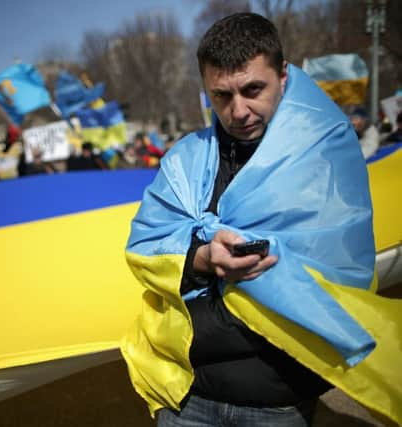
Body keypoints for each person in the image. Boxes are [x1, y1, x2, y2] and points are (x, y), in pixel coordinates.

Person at [121, 13, 399, 427]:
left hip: (278, 402)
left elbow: (344, 273)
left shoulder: (325, 156)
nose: (239, 111)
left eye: (253, 89)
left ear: (283, 75)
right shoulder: (184, 158)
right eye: (221, 96)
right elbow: (144, 247)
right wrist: (202, 259)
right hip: (187, 398)